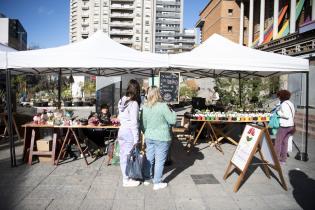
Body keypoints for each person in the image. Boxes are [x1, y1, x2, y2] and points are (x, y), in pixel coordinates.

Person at [142, 86, 177, 190]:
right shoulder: (163, 106)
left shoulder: (145, 106)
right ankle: (157, 183)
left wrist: (146, 132)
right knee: (160, 160)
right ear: (158, 94)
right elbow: (172, 121)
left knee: (149, 158)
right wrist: (173, 112)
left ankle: (147, 178)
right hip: (162, 137)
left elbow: (142, 124)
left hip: (149, 136)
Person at [117, 79, 141, 187]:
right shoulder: (133, 103)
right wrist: (137, 138)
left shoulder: (121, 100)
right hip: (129, 132)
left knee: (123, 155)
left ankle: (125, 177)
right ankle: (126, 179)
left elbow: (120, 117)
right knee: (128, 155)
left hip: (121, 130)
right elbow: (134, 123)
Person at [274, 89, 295, 164]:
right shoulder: (291, 103)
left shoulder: (284, 104)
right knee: (285, 142)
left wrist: (278, 112)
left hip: (284, 126)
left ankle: (276, 159)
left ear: (281, 96)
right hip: (291, 126)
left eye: (279, 96)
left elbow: (286, 115)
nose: (278, 98)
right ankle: (283, 159)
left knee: (278, 143)